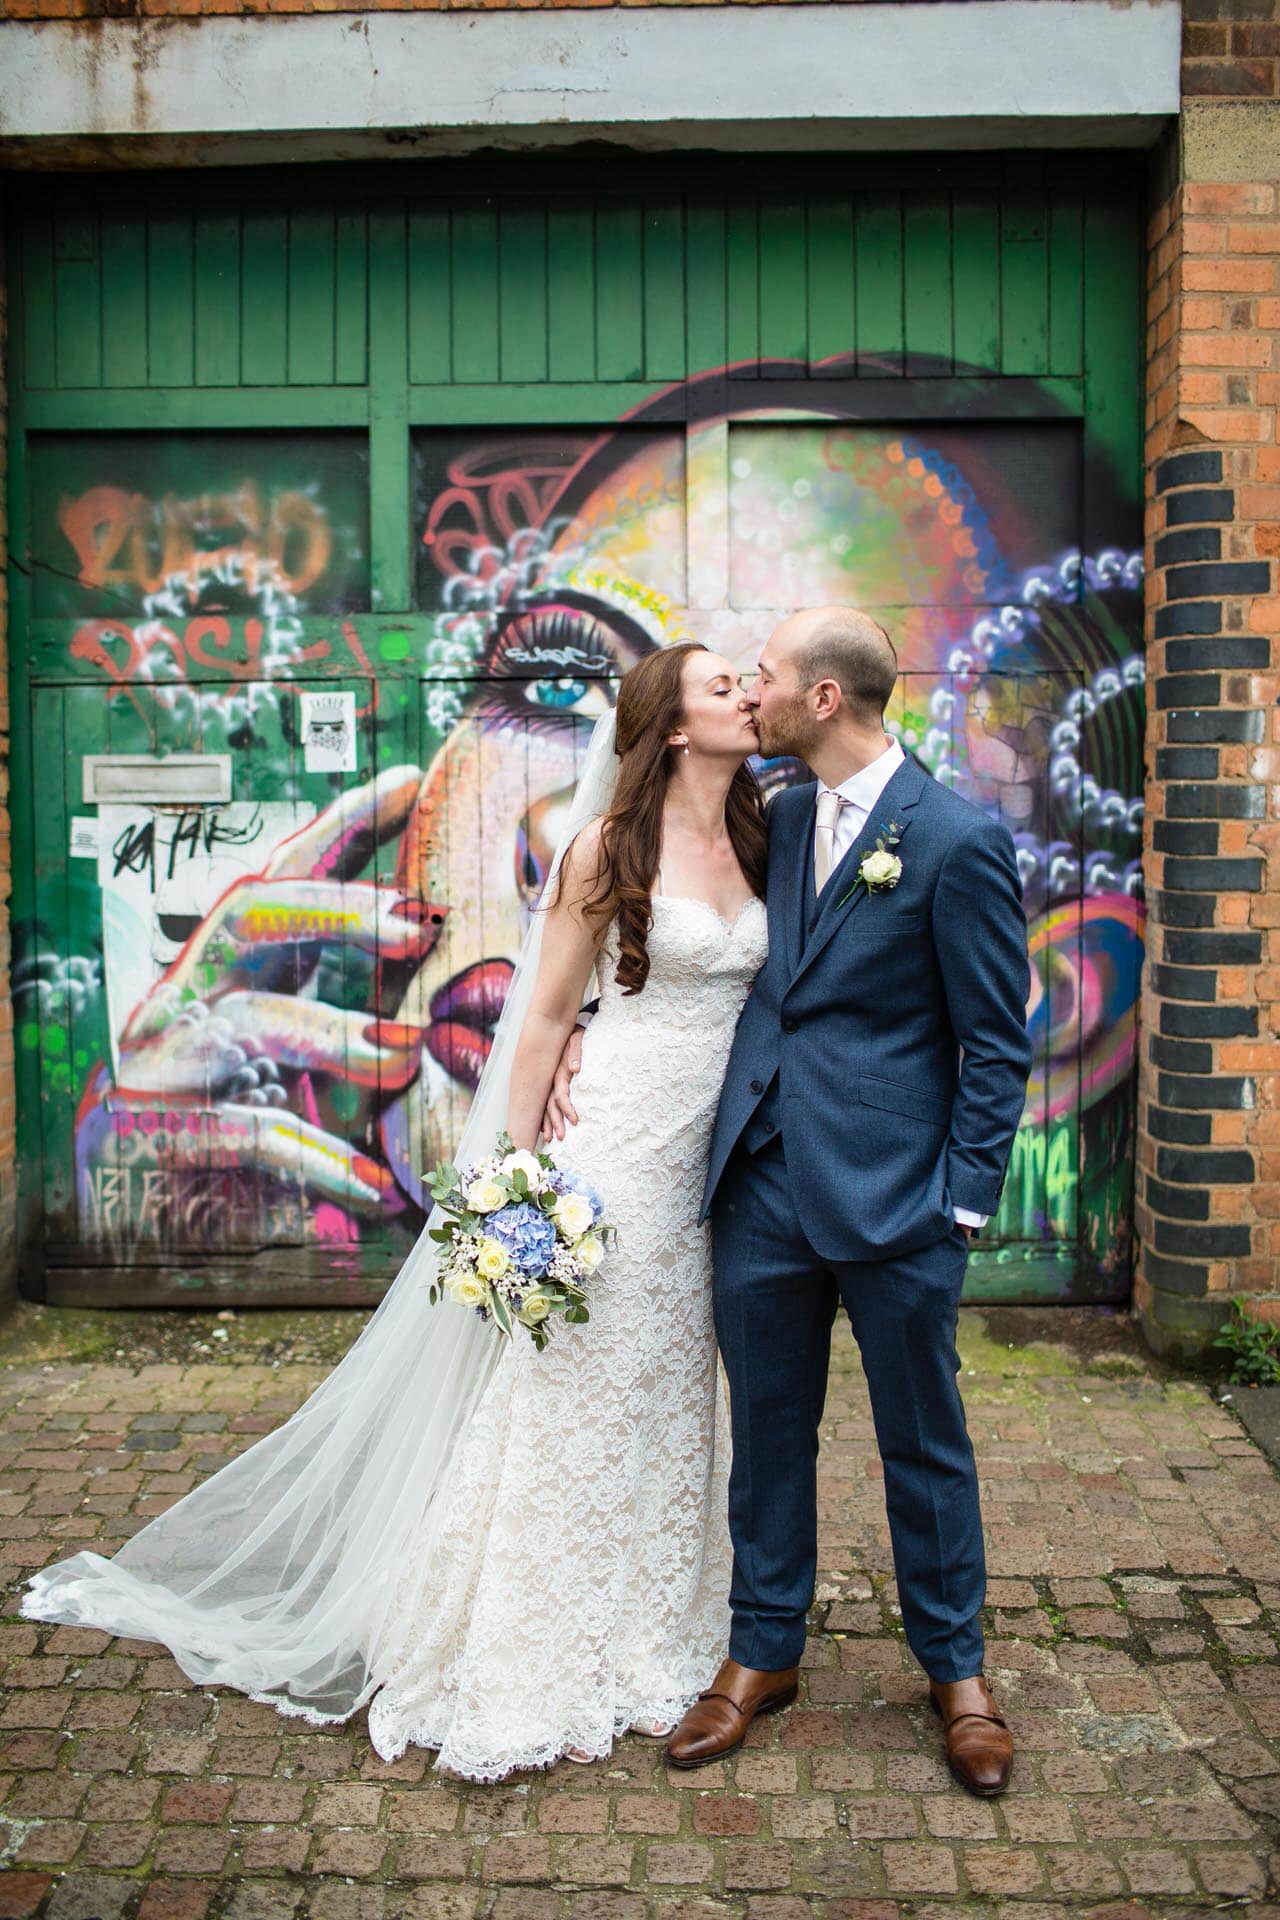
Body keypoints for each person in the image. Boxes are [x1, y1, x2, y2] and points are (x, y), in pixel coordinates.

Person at [23, 642, 769, 1783]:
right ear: (670, 724)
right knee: (565, 1394)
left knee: (673, 1394)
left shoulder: (769, 837)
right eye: (724, 686)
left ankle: (653, 1627)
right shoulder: (600, 851)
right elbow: (539, 1022)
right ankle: (525, 1646)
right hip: (609, 1151)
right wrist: (511, 1190)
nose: (748, 695)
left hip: (705, 1174)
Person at [548, 606, 1033, 1797]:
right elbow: (667, 937)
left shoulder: (956, 840)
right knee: (766, 1438)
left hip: (896, 1202)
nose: (748, 690)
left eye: (762, 676)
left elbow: (994, 1043)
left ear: (821, 700)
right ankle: (760, 1653)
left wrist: (959, 1206)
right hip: (757, 1184)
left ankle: (955, 1671)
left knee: (922, 1439)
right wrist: (575, 1042)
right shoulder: (786, 814)